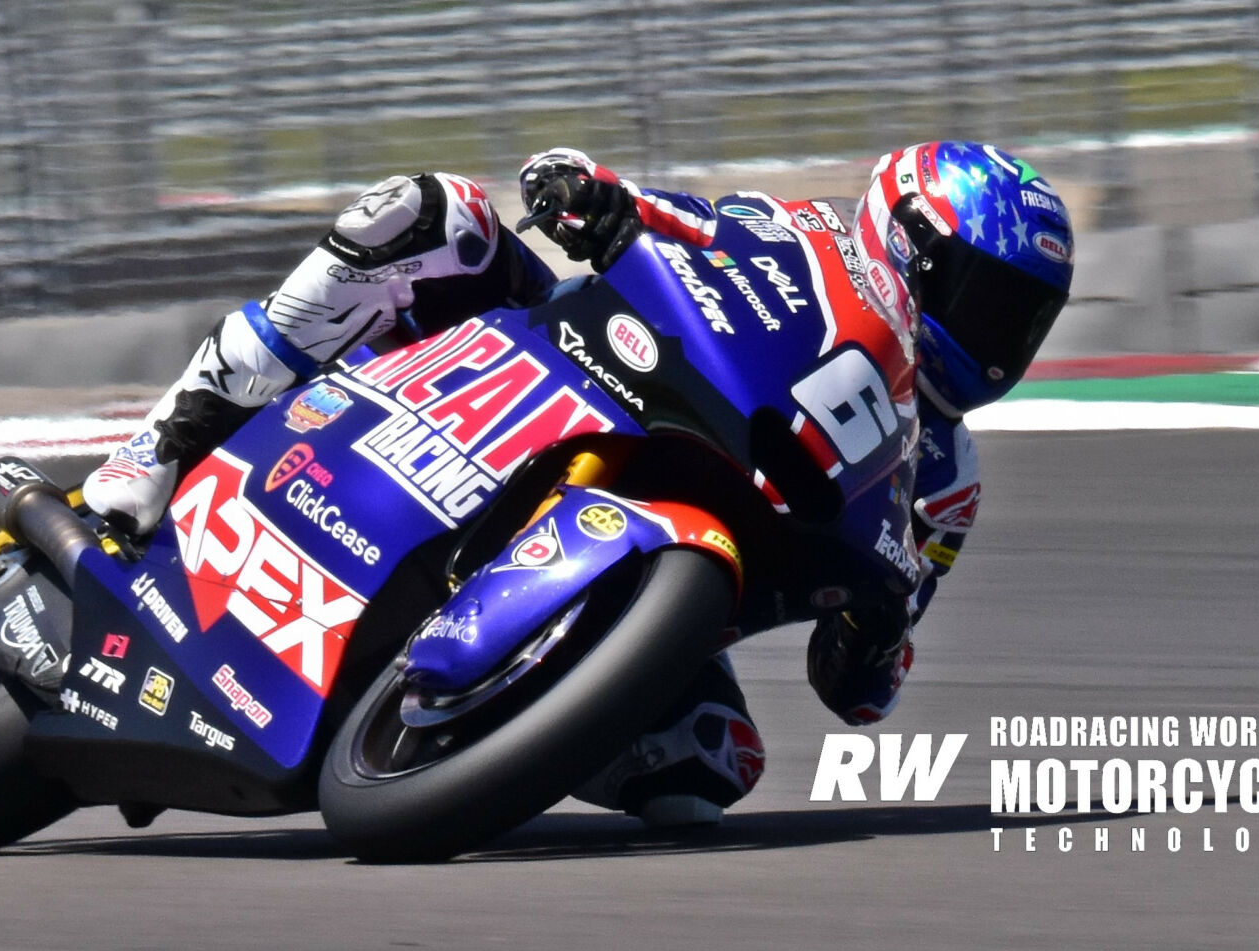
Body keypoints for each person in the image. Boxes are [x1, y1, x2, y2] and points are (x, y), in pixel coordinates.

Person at [82, 142, 1075, 825]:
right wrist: (590, 195)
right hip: (573, 368)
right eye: (986, 300)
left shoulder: (948, 483)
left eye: (1023, 319)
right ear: (913, 242)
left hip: (686, 535)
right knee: (434, 214)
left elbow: (857, 692)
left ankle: (476, 730)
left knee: (705, 770)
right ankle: (165, 442)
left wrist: (879, 632)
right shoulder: (796, 229)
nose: (999, 338)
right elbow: (665, 220)